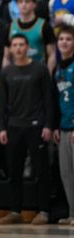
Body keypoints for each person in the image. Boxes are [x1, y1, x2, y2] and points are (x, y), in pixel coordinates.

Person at [0, 33, 55, 225]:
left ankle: (44, 211)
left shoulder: (40, 69)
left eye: (22, 44)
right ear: (11, 49)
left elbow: (48, 99)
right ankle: (15, 211)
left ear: (28, 47)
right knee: (15, 172)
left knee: (41, 171)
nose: (19, 48)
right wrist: (2, 128)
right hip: (13, 127)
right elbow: (3, 103)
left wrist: (48, 124)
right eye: (15, 45)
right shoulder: (6, 72)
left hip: (36, 126)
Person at [54, 26, 74, 225]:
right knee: (66, 174)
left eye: (69, 39)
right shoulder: (58, 67)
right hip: (64, 126)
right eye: (61, 39)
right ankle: (72, 213)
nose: (64, 42)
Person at [9, 0, 55, 69]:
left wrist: (48, 74)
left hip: (38, 72)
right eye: (20, 2)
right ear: (17, 5)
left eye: (27, 1)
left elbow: (52, 54)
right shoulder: (11, 26)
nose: (24, 4)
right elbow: (6, 57)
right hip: (16, 73)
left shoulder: (44, 26)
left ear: (34, 4)